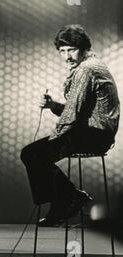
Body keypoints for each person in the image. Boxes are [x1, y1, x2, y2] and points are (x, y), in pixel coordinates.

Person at [21, 24, 120, 226]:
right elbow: (80, 108)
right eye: (62, 51)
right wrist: (53, 105)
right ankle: (68, 199)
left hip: (94, 135)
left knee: (33, 154)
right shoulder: (91, 65)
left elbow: (73, 113)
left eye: (71, 50)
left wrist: (56, 136)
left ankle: (67, 200)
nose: (67, 56)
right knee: (35, 153)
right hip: (95, 133)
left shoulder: (86, 70)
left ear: (83, 48)